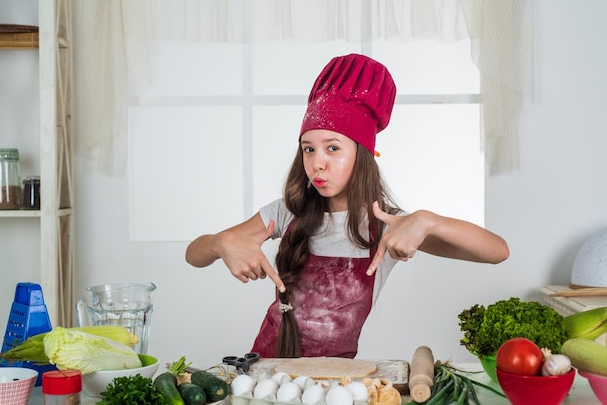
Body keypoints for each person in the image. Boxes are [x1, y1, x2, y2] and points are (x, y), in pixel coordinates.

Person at [185, 53, 509, 359]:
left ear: (363, 154)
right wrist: (221, 243)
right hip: (265, 372)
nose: (317, 164)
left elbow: (497, 251)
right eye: (308, 149)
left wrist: (427, 220)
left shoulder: (387, 225)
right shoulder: (288, 212)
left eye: (333, 148)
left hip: (336, 383)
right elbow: (193, 255)